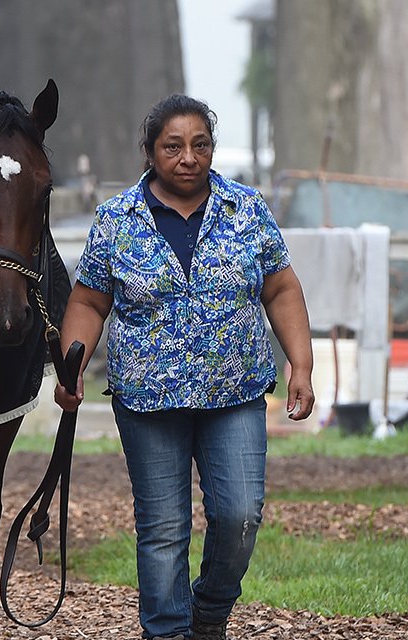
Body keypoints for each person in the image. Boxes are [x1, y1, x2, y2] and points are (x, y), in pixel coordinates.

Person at [54, 94, 314, 640]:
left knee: (240, 517)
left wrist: (301, 367)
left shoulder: (246, 209)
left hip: (235, 392)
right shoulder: (116, 219)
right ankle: (168, 632)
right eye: (173, 146)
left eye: (201, 145)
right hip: (147, 400)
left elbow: (282, 288)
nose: (188, 157)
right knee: (164, 528)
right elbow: (89, 301)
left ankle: (210, 613)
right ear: (150, 152)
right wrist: (71, 367)